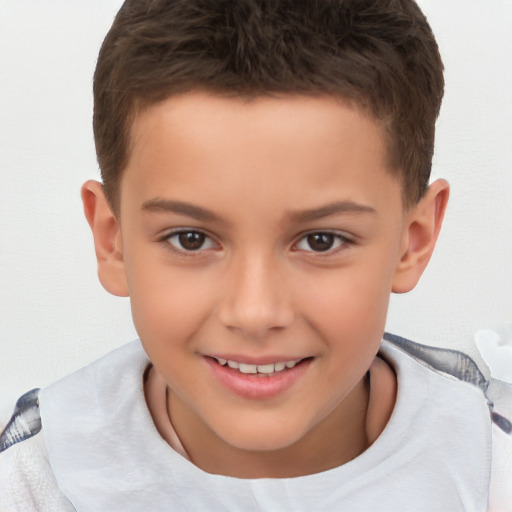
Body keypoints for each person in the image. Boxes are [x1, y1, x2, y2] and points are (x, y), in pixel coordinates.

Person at [0, 0, 510, 510]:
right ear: (112, 239)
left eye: (321, 241)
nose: (255, 313)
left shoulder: (490, 474)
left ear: (413, 239)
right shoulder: (31, 485)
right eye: (191, 239)